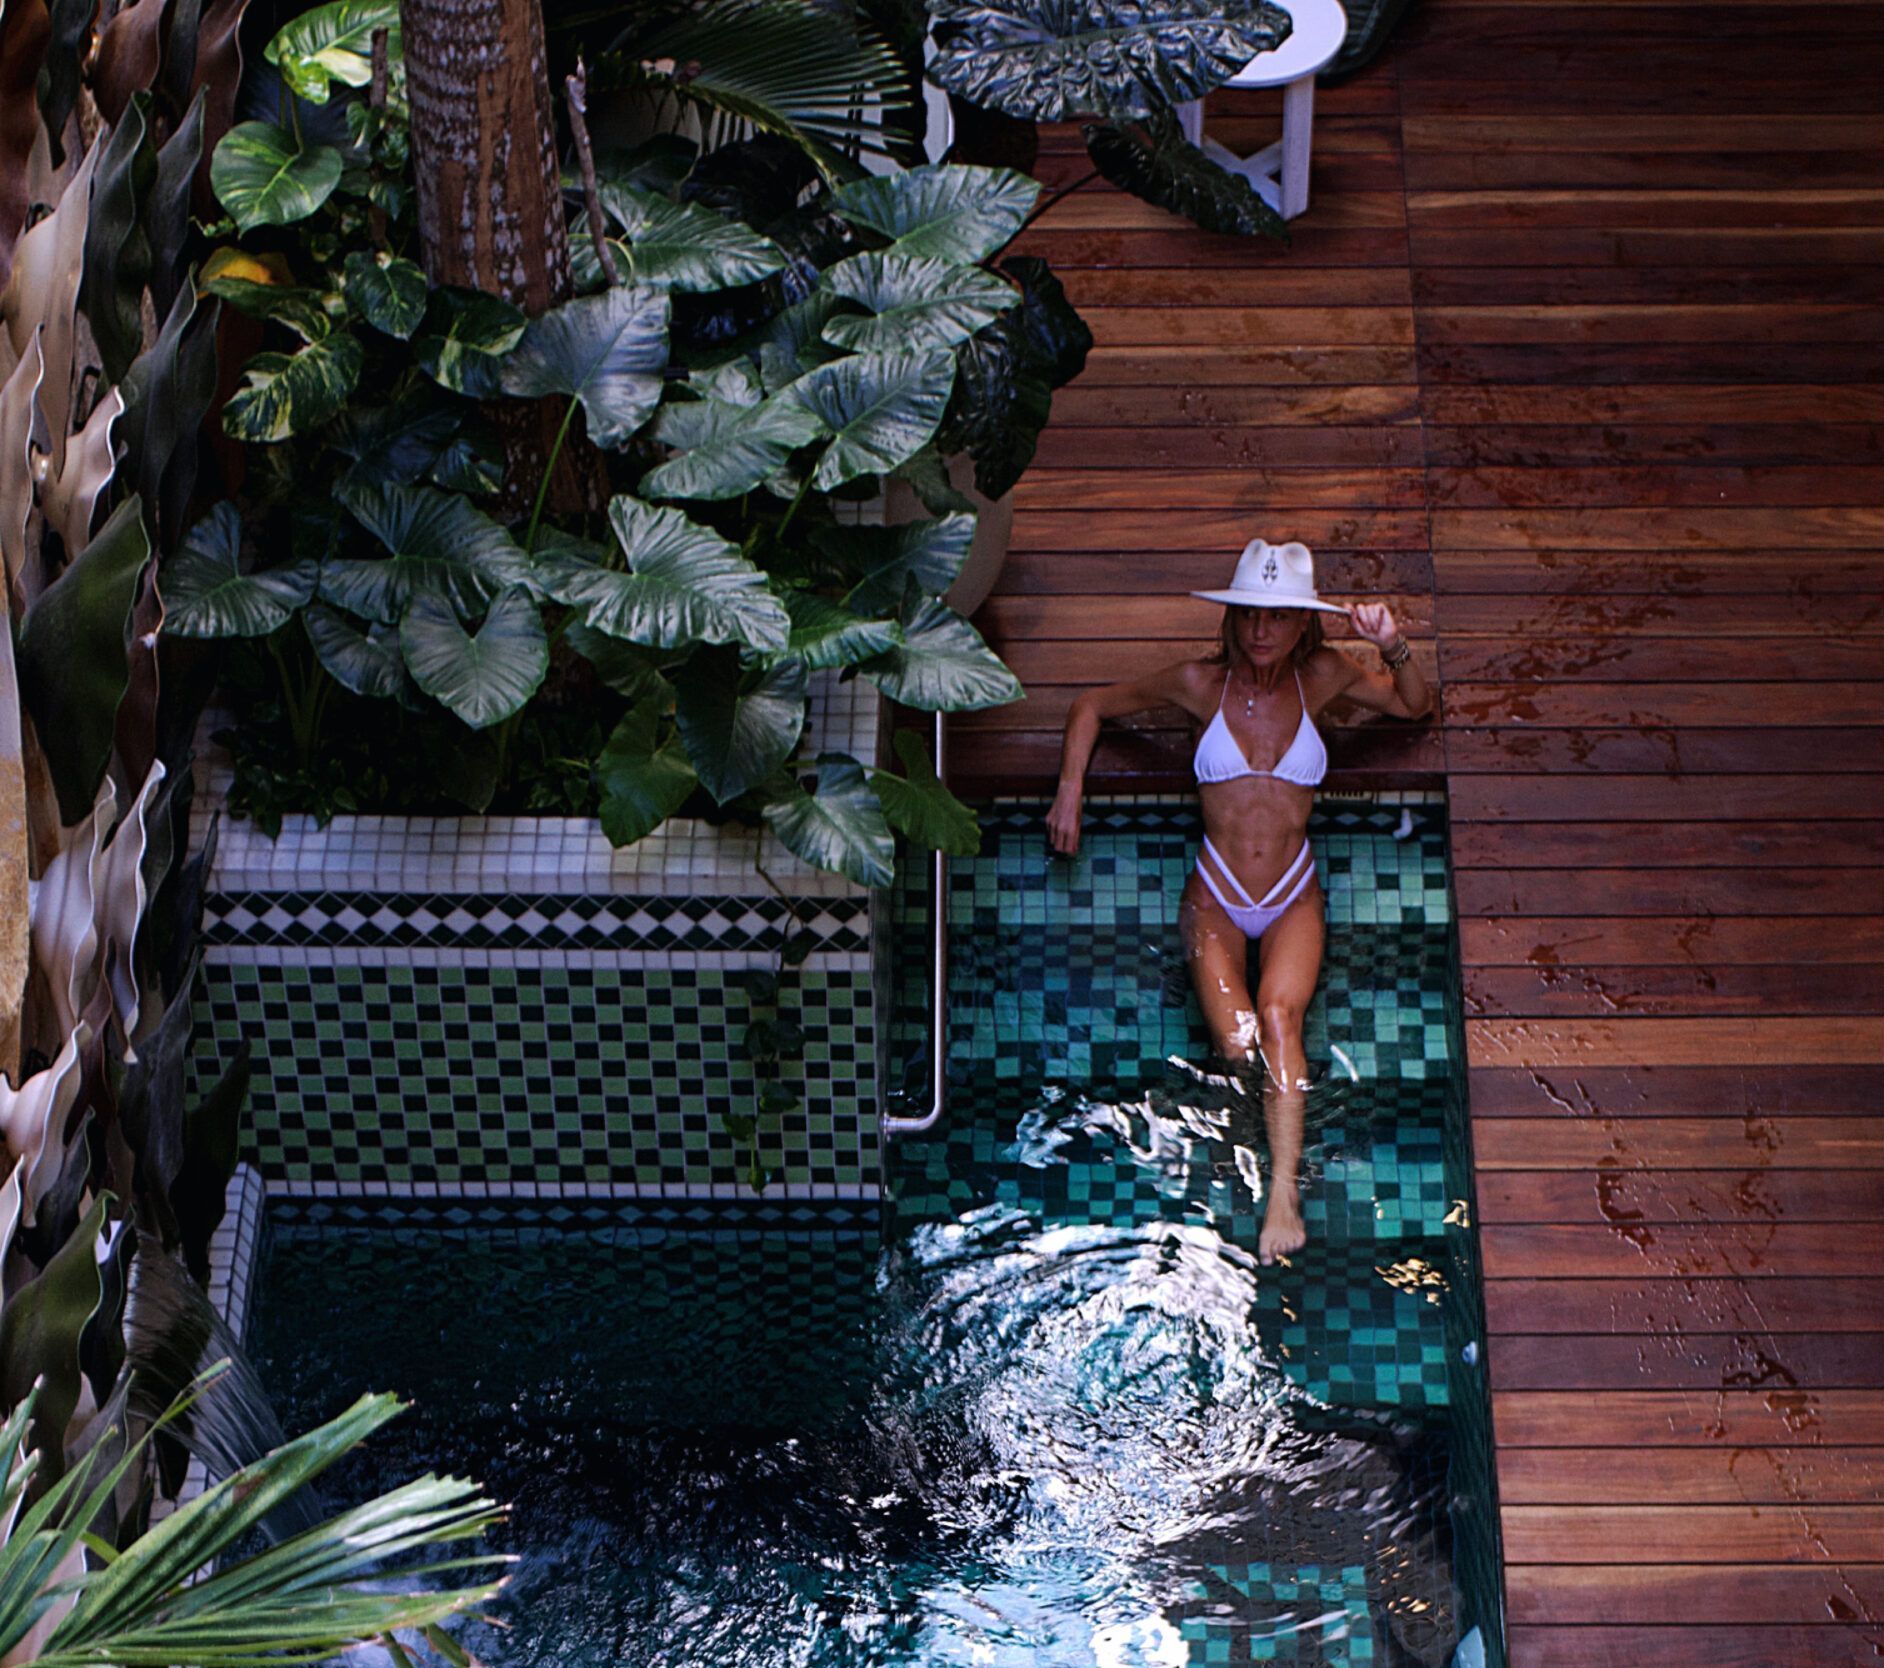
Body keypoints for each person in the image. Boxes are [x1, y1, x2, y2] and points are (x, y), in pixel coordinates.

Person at [1047, 539, 1434, 1263]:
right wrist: (1071, 790)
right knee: (1237, 1043)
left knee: (1282, 1021)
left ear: (1302, 627)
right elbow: (1092, 705)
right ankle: (1242, 1160)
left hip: (1291, 894)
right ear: (1232, 620)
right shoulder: (1201, 684)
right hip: (1217, 900)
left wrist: (1395, 645)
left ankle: (1282, 1192)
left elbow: (1415, 707)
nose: (1262, 631)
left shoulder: (1323, 678)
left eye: (1278, 618)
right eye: (1250, 616)